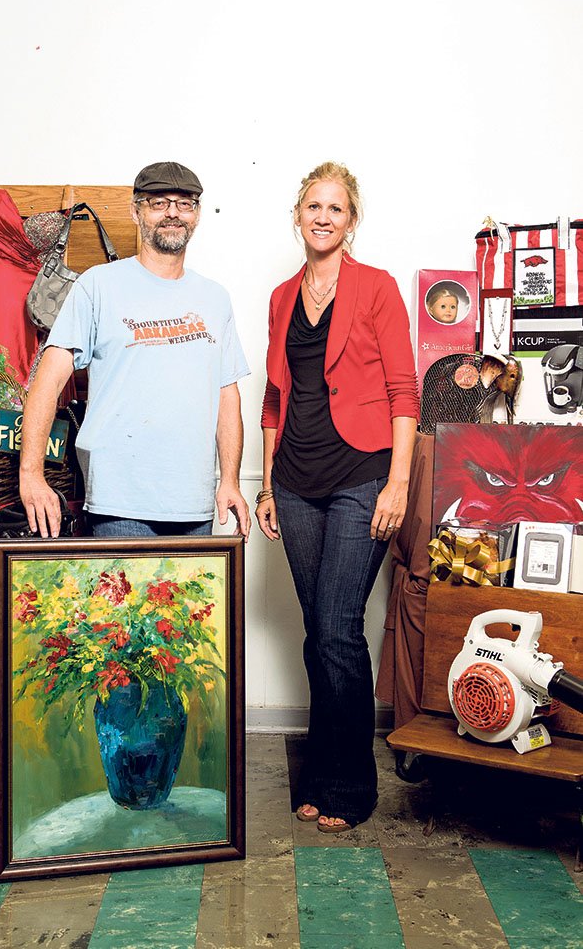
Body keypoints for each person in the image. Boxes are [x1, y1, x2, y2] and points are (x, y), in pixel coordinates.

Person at [256, 161, 419, 833]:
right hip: (294, 482)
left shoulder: (376, 289)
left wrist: (398, 482)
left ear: (351, 221)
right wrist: (265, 485)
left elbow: (403, 393)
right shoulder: (280, 296)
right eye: (313, 206)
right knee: (317, 634)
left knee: (335, 632)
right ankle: (321, 773)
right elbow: (274, 397)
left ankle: (350, 786)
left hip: (361, 477)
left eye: (336, 208)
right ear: (297, 214)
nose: (323, 217)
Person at [20, 161, 251, 541]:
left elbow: (227, 394)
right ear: (135, 210)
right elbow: (49, 378)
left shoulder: (215, 298)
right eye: (159, 202)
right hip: (118, 502)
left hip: (193, 504)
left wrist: (230, 480)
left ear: (197, 215)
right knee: (124, 601)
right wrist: (31, 473)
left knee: (193, 603)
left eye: (186, 203)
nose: (173, 213)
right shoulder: (99, 285)